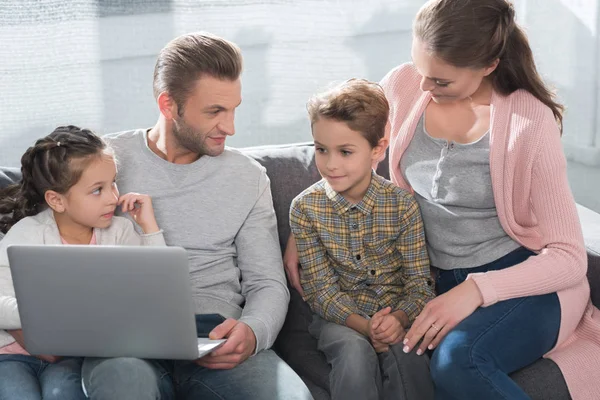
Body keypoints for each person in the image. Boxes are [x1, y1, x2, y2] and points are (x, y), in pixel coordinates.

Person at [285, 0, 600, 399]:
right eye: (420, 70)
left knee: (457, 362)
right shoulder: (403, 85)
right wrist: (308, 225)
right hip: (437, 278)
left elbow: (570, 258)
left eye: (441, 82)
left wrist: (474, 291)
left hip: (525, 282)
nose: (423, 88)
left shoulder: (528, 121)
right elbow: (346, 145)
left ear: (489, 65)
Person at [80, 32, 313, 400]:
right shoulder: (103, 161)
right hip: (125, 341)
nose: (230, 127)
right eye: (215, 112)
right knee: (124, 385)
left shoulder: (247, 177)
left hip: (215, 339)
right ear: (169, 105)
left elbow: (267, 283)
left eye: (234, 108)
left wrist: (252, 332)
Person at [289, 79, 435, 400]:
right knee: (355, 355)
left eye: (345, 151)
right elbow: (320, 292)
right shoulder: (305, 209)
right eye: (321, 149)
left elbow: (420, 285)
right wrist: (365, 327)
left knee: (409, 355)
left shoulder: (402, 205)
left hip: (397, 314)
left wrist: (397, 319)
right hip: (339, 319)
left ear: (378, 150)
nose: (330, 164)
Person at [0, 125, 164, 400]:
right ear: (56, 200)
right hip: (11, 356)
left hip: (71, 357)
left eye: (113, 183)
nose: (113, 197)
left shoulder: (119, 232)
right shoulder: (28, 233)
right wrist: (48, 311)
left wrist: (149, 228)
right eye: (97, 190)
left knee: (62, 392)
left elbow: (157, 291)